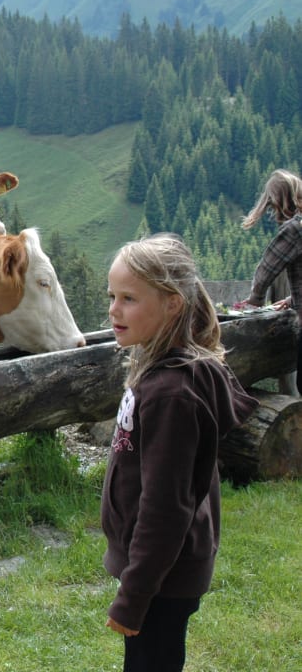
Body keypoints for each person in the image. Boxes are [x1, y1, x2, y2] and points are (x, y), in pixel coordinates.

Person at [104, 233, 258, 671]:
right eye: (112, 295)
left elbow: (166, 508)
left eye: (129, 298)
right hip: (160, 571)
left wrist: (134, 596)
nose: (114, 309)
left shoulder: (173, 394)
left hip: (162, 578)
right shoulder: (159, 372)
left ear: (172, 304)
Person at [237, 169, 302, 395]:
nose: (274, 215)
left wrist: (255, 300)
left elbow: (267, 268)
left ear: (278, 201)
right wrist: (292, 299)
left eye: (273, 208)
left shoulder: (295, 229)